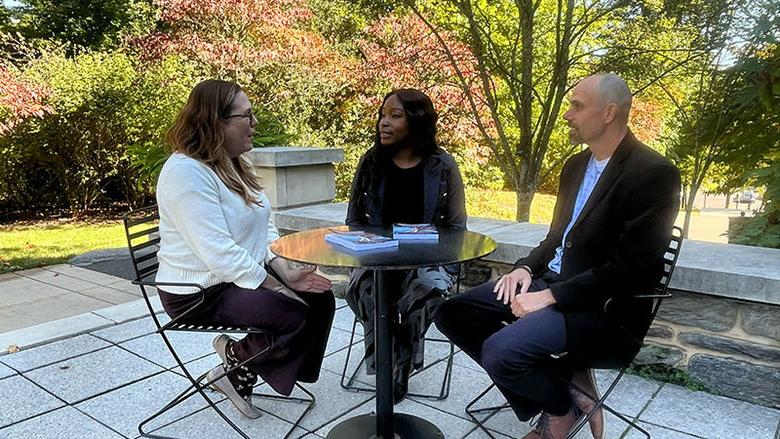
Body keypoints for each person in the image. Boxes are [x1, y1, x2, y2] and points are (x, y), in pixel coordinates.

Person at [435, 73, 681, 439]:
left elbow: (631, 269)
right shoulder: (576, 167)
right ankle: (564, 390)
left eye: (577, 106)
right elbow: (557, 237)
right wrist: (524, 269)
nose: (568, 114)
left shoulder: (653, 173)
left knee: (502, 351)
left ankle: (558, 415)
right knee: (454, 313)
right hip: (552, 282)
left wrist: (547, 297)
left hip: (604, 309)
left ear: (609, 112)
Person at [155, 79, 335, 419]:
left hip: (233, 277)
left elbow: (261, 224)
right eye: (246, 116)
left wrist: (283, 268)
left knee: (320, 299)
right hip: (198, 292)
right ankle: (236, 366)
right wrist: (279, 286)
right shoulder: (185, 173)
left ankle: (237, 365)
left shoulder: (234, 162)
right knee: (294, 313)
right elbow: (219, 252)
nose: (255, 124)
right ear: (215, 122)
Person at [345, 88, 466, 402]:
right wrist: (368, 248)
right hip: (376, 259)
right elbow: (355, 219)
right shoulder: (370, 162)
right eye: (383, 115)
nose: (384, 123)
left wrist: (445, 267)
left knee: (429, 290)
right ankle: (392, 358)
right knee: (364, 291)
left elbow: (456, 228)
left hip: (427, 259)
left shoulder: (443, 165)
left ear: (417, 122)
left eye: (395, 116)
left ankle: (398, 364)